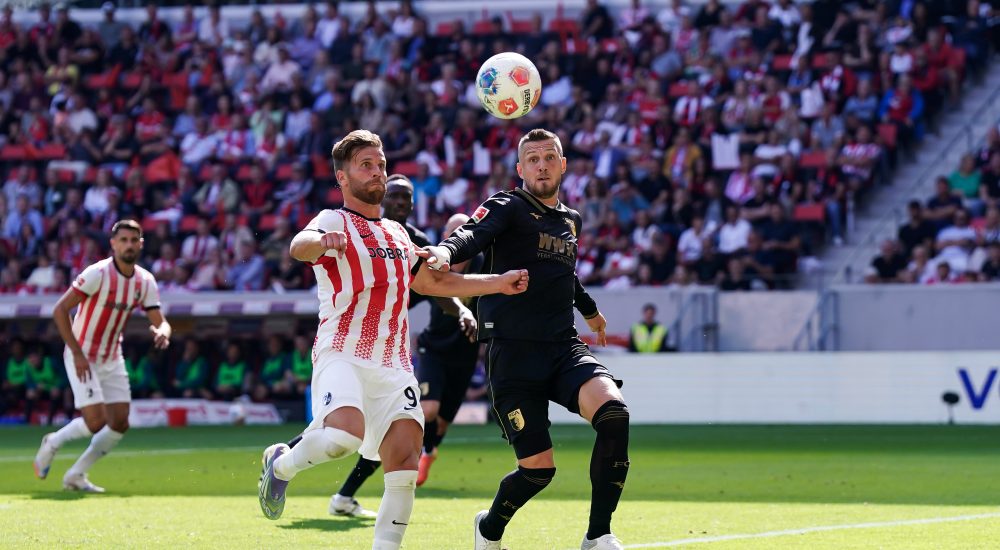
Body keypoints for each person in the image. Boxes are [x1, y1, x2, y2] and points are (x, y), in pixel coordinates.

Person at [256, 130, 529, 550]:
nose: (377, 172)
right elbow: (299, 245)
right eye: (366, 165)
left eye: (380, 164)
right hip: (342, 352)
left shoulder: (400, 236)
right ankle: (282, 465)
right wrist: (320, 242)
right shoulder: (335, 221)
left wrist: (499, 283)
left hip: (394, 364)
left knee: (404, 461)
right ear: (343, 177)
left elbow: (437, 282)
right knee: (343, 438)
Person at [421, 128, 630, 550]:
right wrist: (444, 253)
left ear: (563, 164)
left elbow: (564, 275)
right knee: (538, 470)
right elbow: (471, 235)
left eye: (549, 157)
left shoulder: (571, 220)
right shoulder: (507, 205)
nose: (541, 165)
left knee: (614, 413)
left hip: (562, 347)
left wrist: (589, 311)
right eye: (532, 159)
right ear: (520, 169)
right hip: (512, 354)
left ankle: (598, 535)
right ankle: (489, 527)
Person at [323, 175, 479, 517]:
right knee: (352, 423)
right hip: (350, 341)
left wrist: (462, 309)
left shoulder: (417, 244)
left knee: (394, 422)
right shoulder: (359, 227)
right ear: (382, 197)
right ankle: (289, 460)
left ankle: (344, 495)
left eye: (406, 198)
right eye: (394, 195)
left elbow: (436, 289)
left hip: (389, 350)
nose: (400, 203)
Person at [33, 220, 171, 492]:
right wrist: (77, 353)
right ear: (113, 244)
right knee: (96, 422)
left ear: (141, 243)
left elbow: (160, 319)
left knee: (119, 422)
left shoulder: (145, 281)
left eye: (134, 240)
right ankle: (53, 441)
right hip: (81, 353)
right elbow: (60, 310)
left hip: (111, 356)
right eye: (124, 240)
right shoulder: (97, 273)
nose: (129, 245)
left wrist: (163, 331)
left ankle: (76, 475)